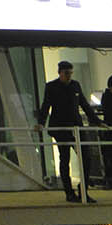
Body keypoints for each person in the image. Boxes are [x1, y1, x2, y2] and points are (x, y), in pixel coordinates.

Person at [36, 60, 95, 202]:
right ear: (60, 73)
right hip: (61, 128)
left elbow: (84, 104)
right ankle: (69, 192)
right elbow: (46, 106)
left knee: (86, 157)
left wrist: (96, 121)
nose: (69, 76)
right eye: (66, 73)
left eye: (70, 73)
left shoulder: (75, 85)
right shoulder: (51, 87)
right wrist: (41, 123)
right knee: (65, 159)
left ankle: (83, 189)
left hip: (76, 127)